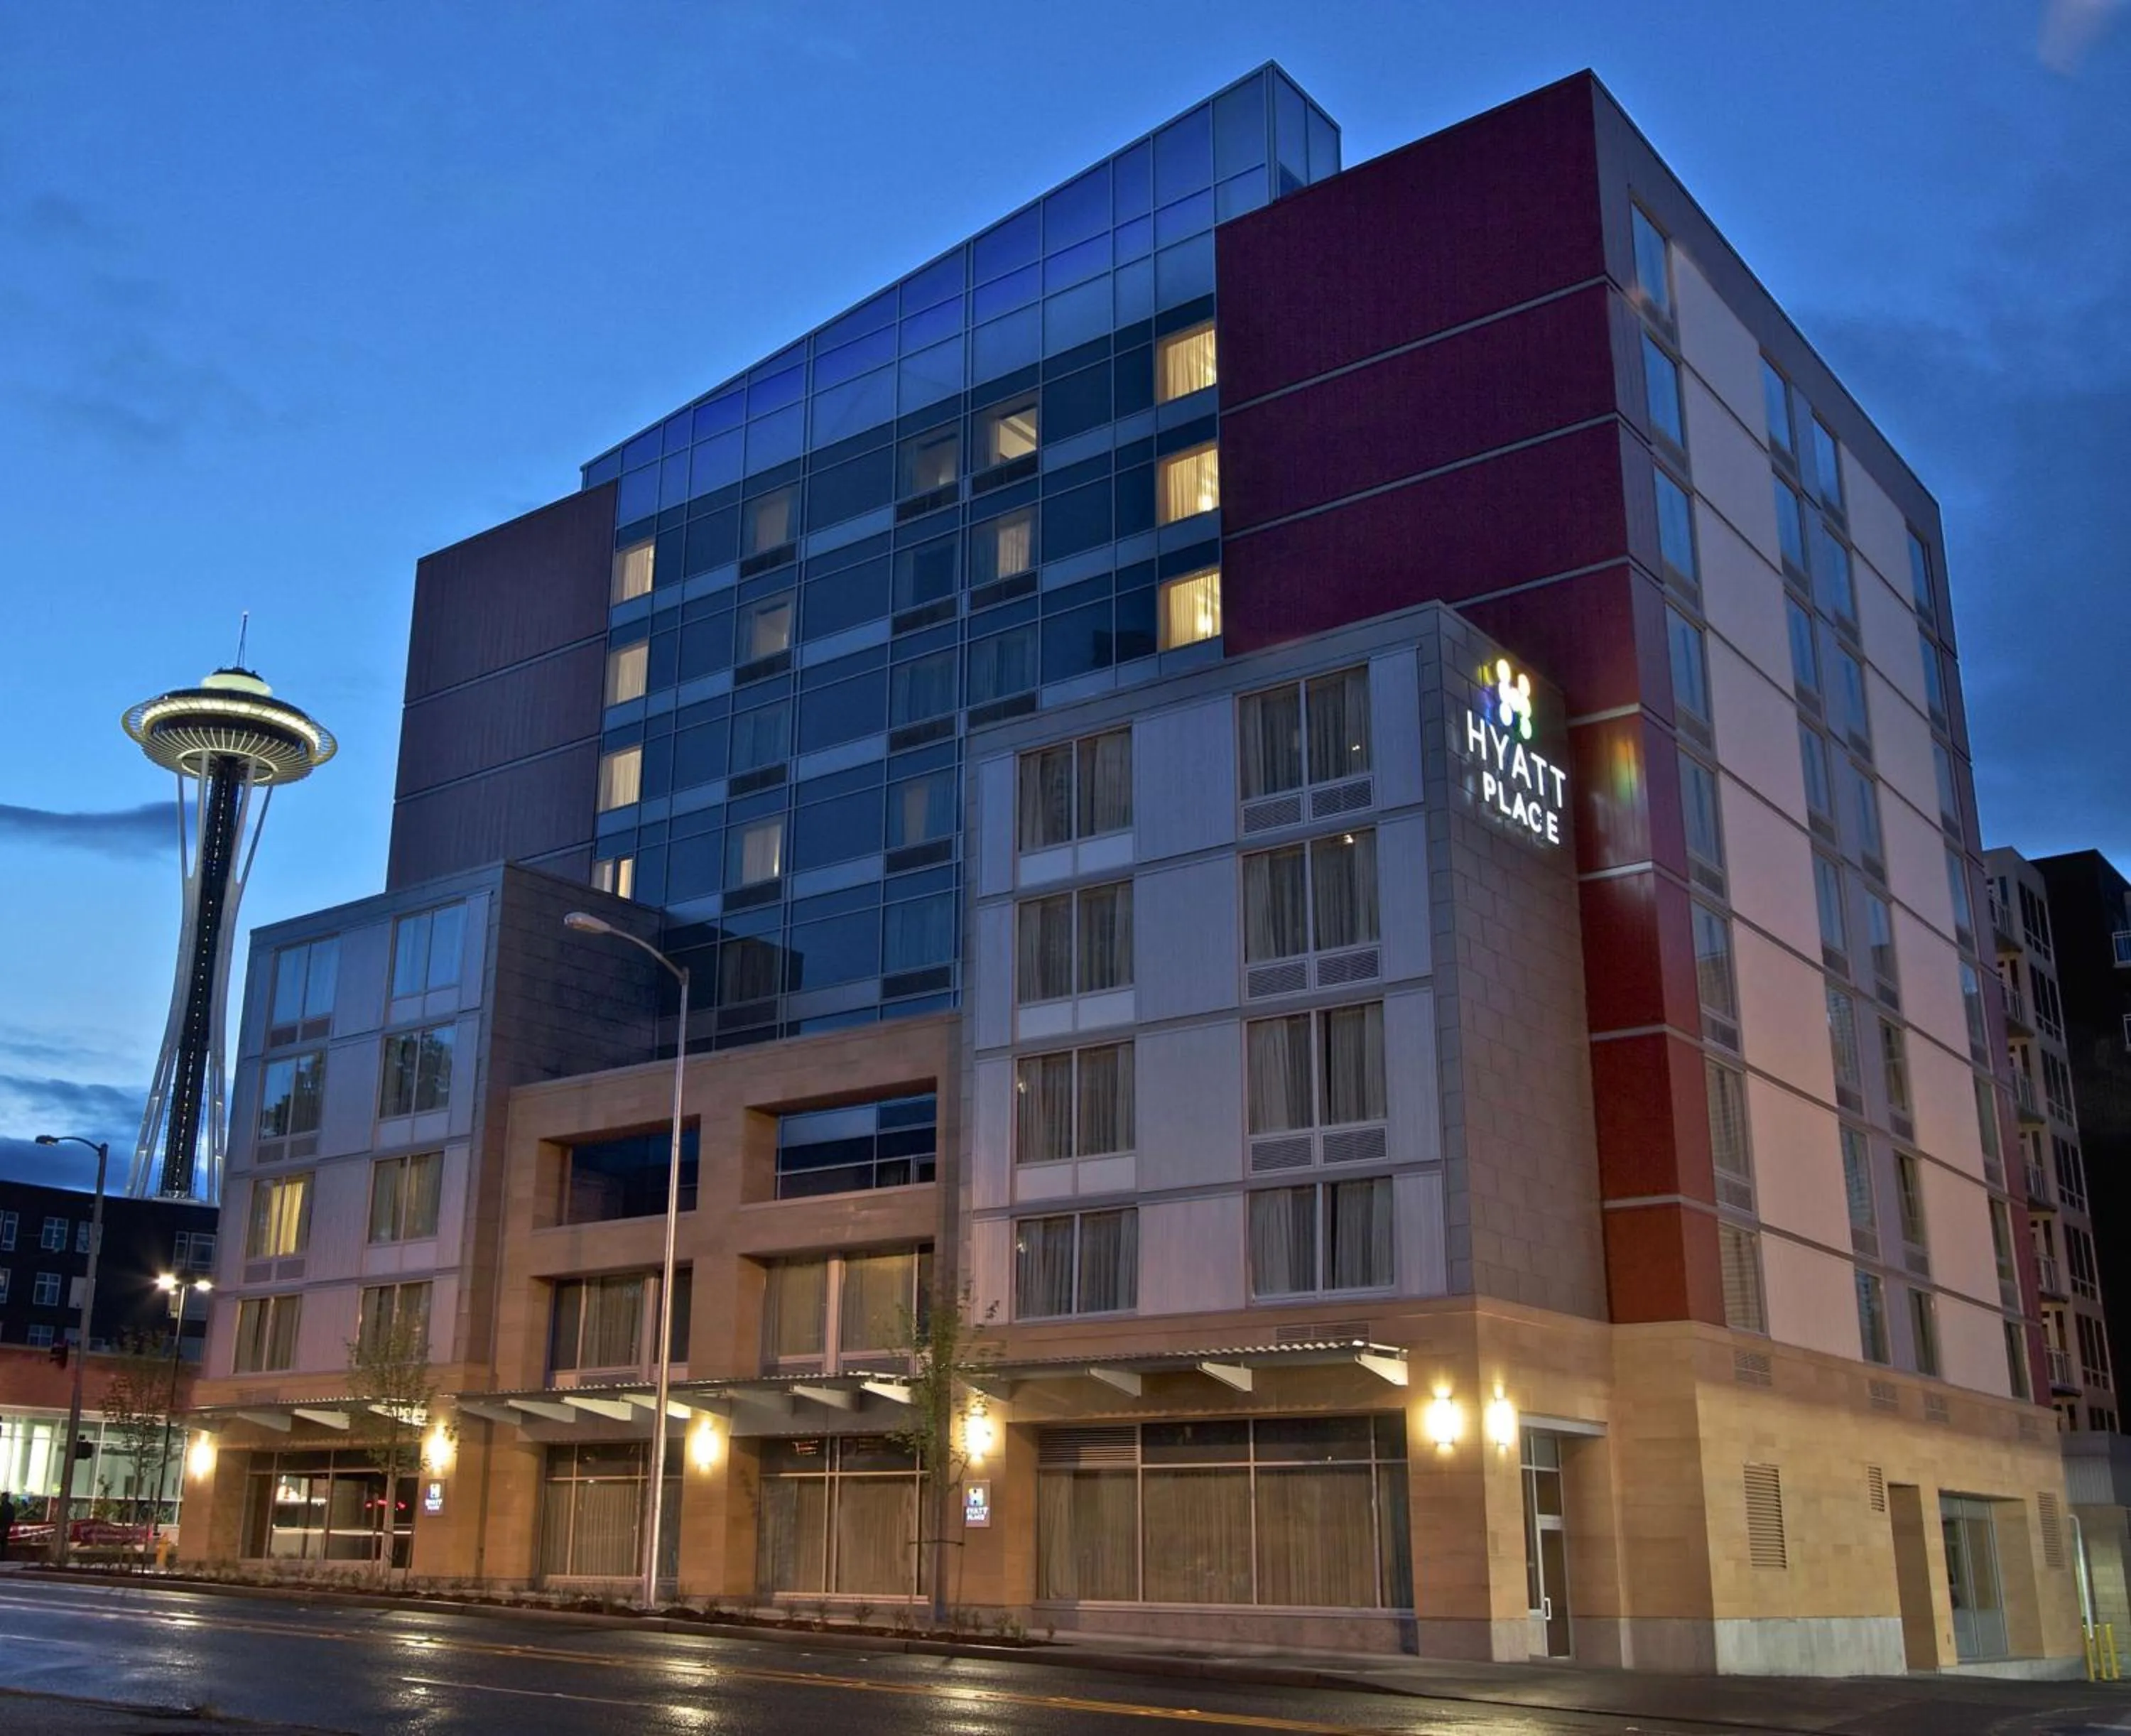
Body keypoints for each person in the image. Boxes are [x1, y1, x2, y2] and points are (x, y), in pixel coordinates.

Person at [0, 1492, 16, 1559]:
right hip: (5, 1527)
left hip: (4, 1527)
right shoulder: (9, 1507)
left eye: (3, 1497)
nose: (1, 1499)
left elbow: (10, 1518)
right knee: (3, 1543)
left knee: (3, 1542)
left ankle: (3, 1557)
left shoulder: (7, 1507)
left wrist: (5, 1527)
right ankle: (3, 1556)